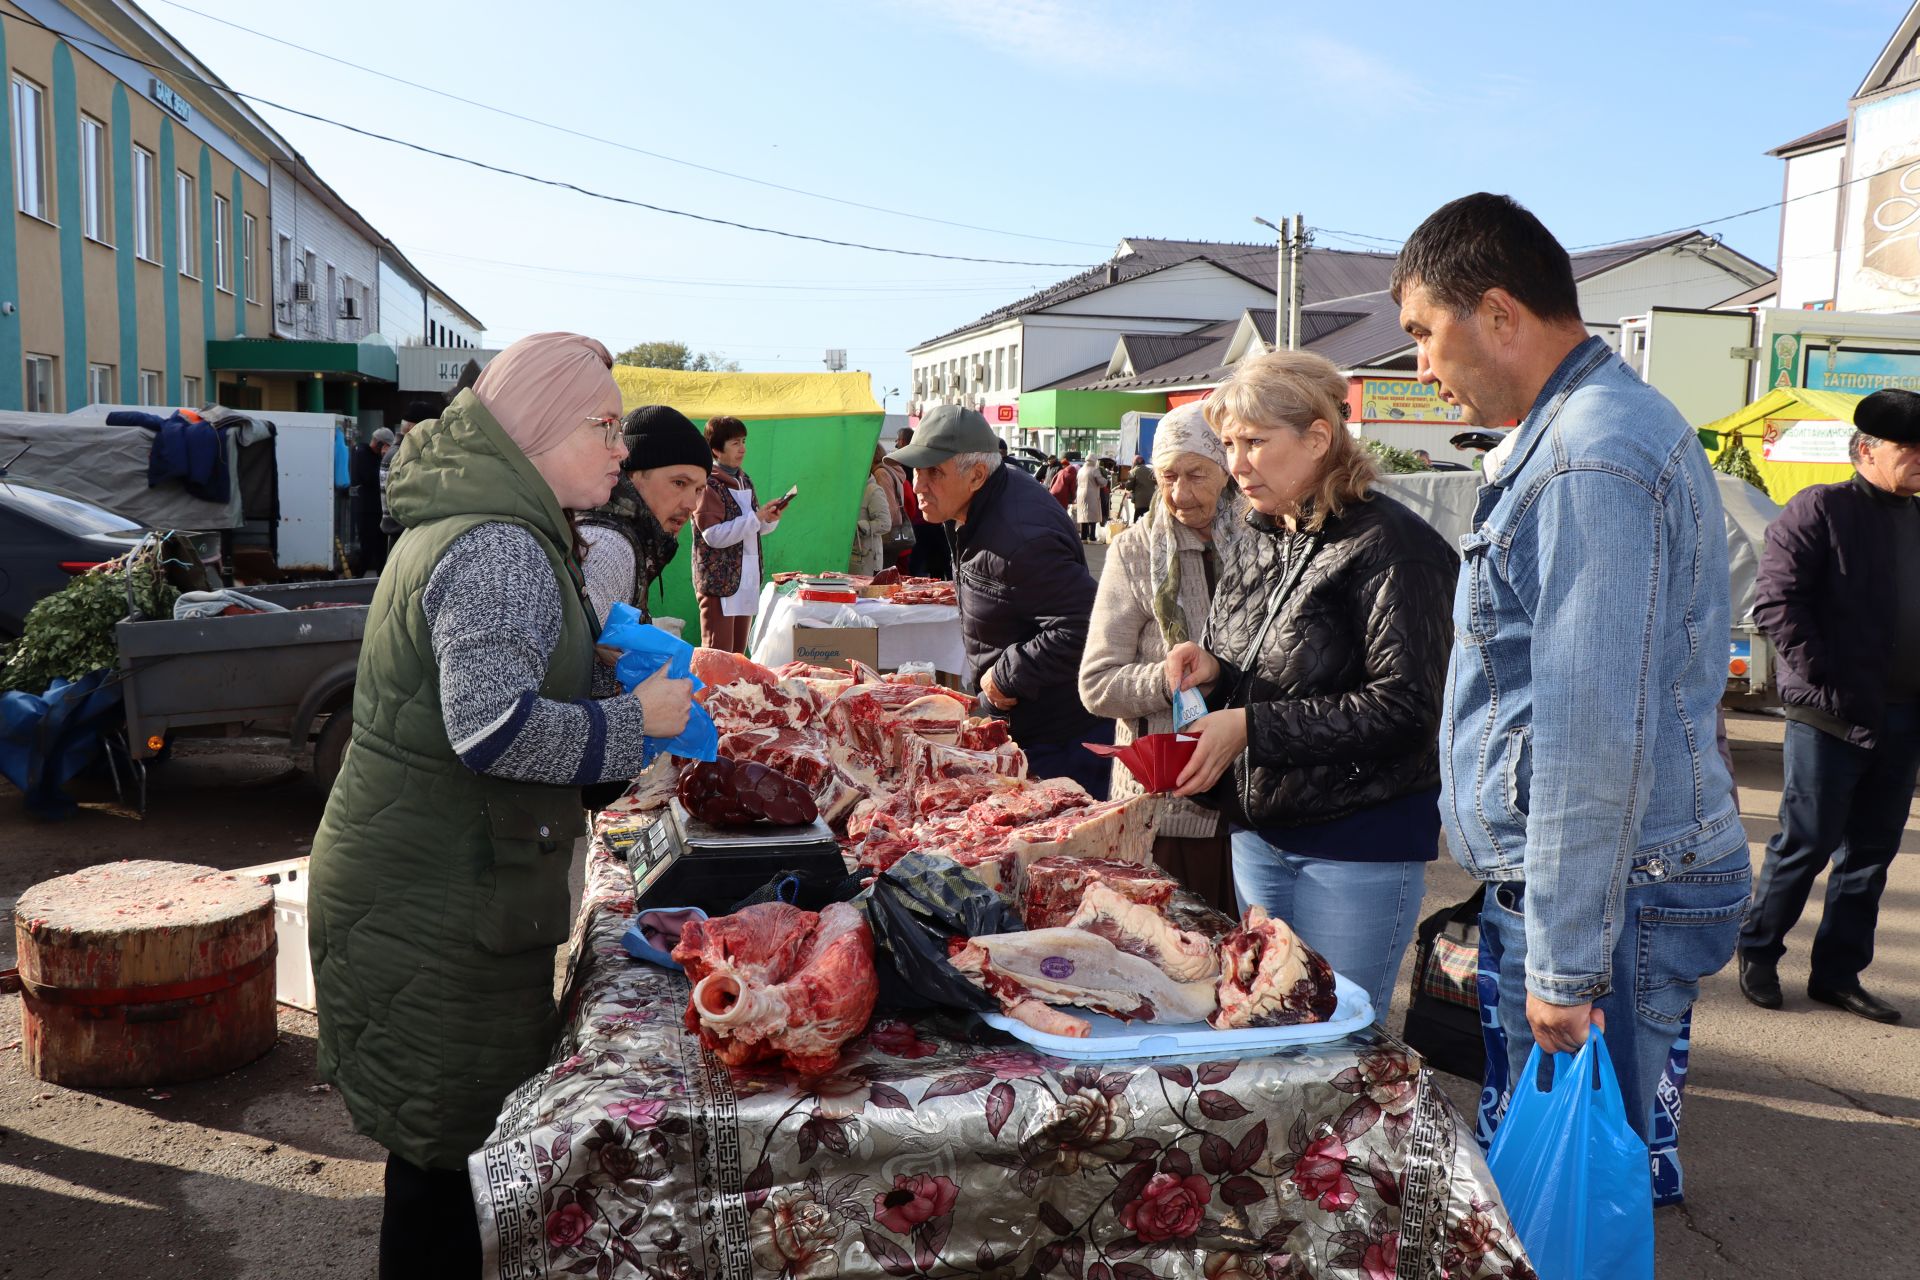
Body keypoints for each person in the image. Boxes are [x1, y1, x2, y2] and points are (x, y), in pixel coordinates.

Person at [307, 332, 695, 1279]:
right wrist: (632, 719)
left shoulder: (492, 523)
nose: (619, 448)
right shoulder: (498, 545)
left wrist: (594, 664)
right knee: (445, 1166)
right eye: (603, 427)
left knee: (439, 1157)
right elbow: (494, 731)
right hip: (437, 899)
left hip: (428, 877)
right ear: (536, 429)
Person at [1394, 193, 1747, 1156]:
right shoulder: (1583, 430)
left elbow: (1592, 730)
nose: (1420, 366)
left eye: (1425, 334)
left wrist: (1565, 958)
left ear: (1499, 313)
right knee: (1578, 1172)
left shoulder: (1590, 454)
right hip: (1616, 883)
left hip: (1617, 891)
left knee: (1581, 1185)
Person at [1163, 352, 1457, 1015]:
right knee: (1270, 1024)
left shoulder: (1393, 546)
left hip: (1356, 844)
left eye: (1255, 442)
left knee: (1340, 1040)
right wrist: (1216, 670)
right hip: (1260, 832)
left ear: (1318, 439)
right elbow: (1284, 663)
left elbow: (1408, 705)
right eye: (1230, 443)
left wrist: (1252, 727)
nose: (1237, 463)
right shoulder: (1260, 530)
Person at [1738, 388, 1920, 1024]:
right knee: (1806, 841)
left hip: (1903, 716)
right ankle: (1758, 952)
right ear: (1866, 449)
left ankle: (1838, 974)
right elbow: (1778, 605)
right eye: (1909, 448)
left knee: (1871, 854)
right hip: (1830, 714)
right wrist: (1827, 683)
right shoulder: (1819, 509)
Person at [891, 405, 1113, 795]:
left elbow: (1085, 624)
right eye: (916, 470)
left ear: (976, 475)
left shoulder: (1021, 537)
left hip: (1059, 737)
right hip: (1031, 726)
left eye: (933, 473)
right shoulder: (976, 502)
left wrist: (1005, 675)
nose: (918, 485)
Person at [1080, 405, 1246, 910]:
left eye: (1197, 474)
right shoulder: (1133, 552)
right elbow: (1097, 684)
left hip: (1255, 805)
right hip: (1168, 811)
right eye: (1168, 476)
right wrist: (1170, 676)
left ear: (1228, 469)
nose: (1179, 494)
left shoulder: (1264, 541)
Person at [578, 404, 711, 629]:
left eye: (699, 490)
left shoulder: (626, 538)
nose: (691, 505)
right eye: (679, 483)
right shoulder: (608, 548)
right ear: (631, 474)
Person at [692, 415, 788, 653]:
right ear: (716, 449)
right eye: (735, 443)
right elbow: (712, 535)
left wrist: (767, 519)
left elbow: (751, 530)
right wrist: (756, 518)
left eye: (743, 441)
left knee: (738, 658)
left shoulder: (744, 480)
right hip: (720, 584)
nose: (742, 448)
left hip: (745, 581)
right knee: (718, 656)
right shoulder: (709, 485)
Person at [350, 426, 396, 575]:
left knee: (381, 548)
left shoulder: (372, 456)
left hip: (377, 509)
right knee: (367, 546)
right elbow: (371, 478)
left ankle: (380, 577)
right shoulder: (362, 454)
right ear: (380, 444)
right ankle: (357, 578)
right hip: (366, 510)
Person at [851, 444, 892, 575]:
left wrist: (862, 526)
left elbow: (886, 524)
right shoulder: (851, 492)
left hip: (867, 559)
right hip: (851, 558)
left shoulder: (873, 490)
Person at [1073, 454, 1104, 541]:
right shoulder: (1094, 470)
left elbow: (1076, 482)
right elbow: (1101, 482)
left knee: (1084, 515)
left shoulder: (1081, 470)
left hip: (1080, 494)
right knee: (1092, 515)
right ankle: (1092, 537)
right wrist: (1106, 481)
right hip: (1091, 494)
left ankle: (1083, 537)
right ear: (1094, 460)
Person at [1125, 452, 1157, 522]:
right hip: (1151, 501)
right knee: (1149, 522)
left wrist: (1125, 483)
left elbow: (1128, 487)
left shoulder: (1133, 471)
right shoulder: (1150, 470)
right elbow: (1156, 482)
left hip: (1140, 502)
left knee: (1137, 523)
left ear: (1134, 463)